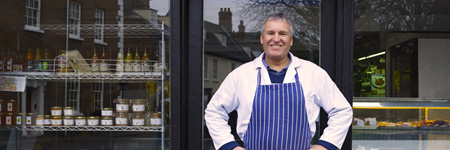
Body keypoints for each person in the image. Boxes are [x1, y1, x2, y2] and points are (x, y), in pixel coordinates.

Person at [204, 13, 353, 150]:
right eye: (270, 33)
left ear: (291, 40)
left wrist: (325, 145)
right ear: (262, 38)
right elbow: (214, 112)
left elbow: (342, 111)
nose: (276, 39)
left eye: (283, 33)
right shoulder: (241, 75)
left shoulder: (313, 73)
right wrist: (230, 146)